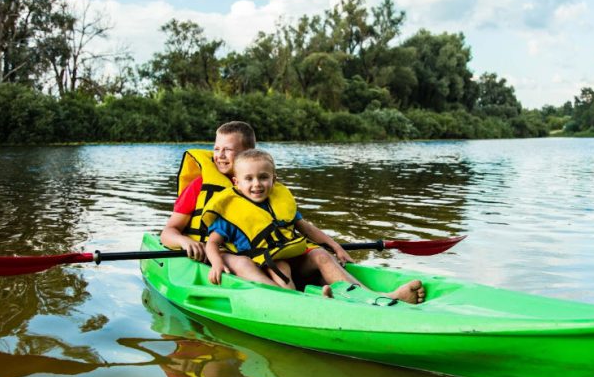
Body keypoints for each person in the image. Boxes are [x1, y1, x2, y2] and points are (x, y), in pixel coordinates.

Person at [202, 149, 425, 304]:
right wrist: (216, 263)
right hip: (266, 264)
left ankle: (377, 297)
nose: (256, 184)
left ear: (274, 179)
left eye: (263, 177)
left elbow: (306, 228)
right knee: (282, 267)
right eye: (249, 179)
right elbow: (212, 244)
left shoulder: (279, 201)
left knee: (320, 255)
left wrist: (335, 247)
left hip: (293, 258)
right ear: (236, 182)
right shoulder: (230, 211)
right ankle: (312, 303)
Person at [160, 121, 256, 262]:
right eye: (216, 149)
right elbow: (168, 232)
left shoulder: (261, 186)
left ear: (248, 153)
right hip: (210, 256)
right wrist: (184, 241)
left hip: (251, 254)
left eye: (227, 149)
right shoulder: (198, 186)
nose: (220, 155)